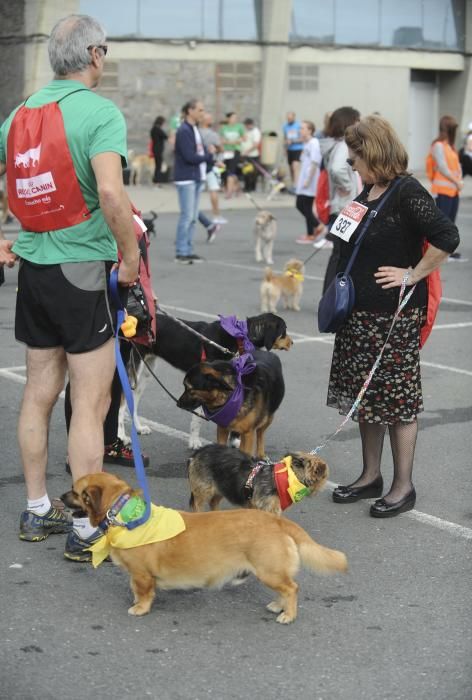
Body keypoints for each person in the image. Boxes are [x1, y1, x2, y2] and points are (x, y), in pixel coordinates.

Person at [0, 14, 140, 559]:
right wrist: (128, 255)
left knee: (39, 391)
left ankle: (37, 510)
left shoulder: (19, 113)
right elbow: (110, 193)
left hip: (35, 268)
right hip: (83, 270)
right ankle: (86, 527)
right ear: (95, 55)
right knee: (90, 399)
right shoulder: (100, 113)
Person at [328, 115, 459, 518]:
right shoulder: (369, 190)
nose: (351, 166)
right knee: (368, 400)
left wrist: (413, 273)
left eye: (354, 159)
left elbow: (447, 237)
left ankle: (404, 486)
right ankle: (371, 476)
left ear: (374, 153)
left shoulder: (406, 191)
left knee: (398, 402)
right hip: (359, 316)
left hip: (393, 318)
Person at [319, 106, 361, 290]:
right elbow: (337, 168)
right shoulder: (344, 146)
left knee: (339, 254)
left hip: (340, 206)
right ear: (349, 123)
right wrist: (347, 186)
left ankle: (330, 294)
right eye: (357, 120)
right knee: (342, 255)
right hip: (346, 207)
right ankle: (331, 295)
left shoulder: (335, 144)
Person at [174, 98, 215, 264]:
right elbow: (189, 156)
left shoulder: (194, 129)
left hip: (196, 176)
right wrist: (208, 156)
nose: (202, 113)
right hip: (187, 178)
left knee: (192, 217)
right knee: (187, 216)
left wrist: (209, 158)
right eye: (200, 110)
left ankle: (188, 250)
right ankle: (181, 252)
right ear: (190, 111)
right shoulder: (184, 130)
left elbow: (199, 151)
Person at [428, 115, 463, 261]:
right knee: (443, 224)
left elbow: (456, 166)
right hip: (443, 191)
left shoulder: (450, 146)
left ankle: (447, 251)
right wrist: (456, 181)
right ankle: (439, 253)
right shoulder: (438, 145)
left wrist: (458, 180)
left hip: (453, 190)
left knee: (451, 223)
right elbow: (442, 167)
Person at [199, 112, 227, 224]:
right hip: (212, 164)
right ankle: (216, 215)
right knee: (213, 189)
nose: (212, 120)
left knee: (198, 191)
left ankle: (195, 214)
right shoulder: (212, 134)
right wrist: (219, 160)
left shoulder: (196, 133)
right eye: (210, 118)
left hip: (199, 165)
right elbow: (220, 148)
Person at [219, 112, 244, 199]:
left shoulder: (239, 127)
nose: (235, 119)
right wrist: (224, 145)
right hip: (226, 152)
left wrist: (236, 141)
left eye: (236, 118)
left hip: (235, 151)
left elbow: (244, 138)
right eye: (233, 117)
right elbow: (221, 140)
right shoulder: (224, 128)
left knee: (231, 171)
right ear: (228, 119)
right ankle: (237, 187)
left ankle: (229, 192)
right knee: (225, 171)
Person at [240, 118, 261, 193]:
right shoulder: (245, 131)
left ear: (250, 124)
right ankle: (246, 187)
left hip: (253, 155)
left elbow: (256, 144)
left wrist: (247, 151)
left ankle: (251, 187)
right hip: (245, 155)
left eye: (246, 125)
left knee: (252, 173)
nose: (245, 126)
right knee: (245, 171)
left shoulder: (255, 132)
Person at [283, 112, 304, 186]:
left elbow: (302, 138)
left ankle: (296, 185)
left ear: (294, 118)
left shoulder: (298, 126)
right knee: (291, 168)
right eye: (288, 118)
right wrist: (285, 149)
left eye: (290, 118)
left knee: (295, 166)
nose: (289, 120)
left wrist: (292, 141)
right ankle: (293, 184)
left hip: (298, 149)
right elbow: (285, 138)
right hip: (289, 150)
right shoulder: (285, 126)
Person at [150, 115, 168, 185]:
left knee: (157, 165)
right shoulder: (158, 129)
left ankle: (155, 180)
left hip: (155, 148)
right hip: (158, 149)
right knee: (159, 166)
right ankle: (157, 181)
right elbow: (165, 136)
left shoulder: (153, 129)